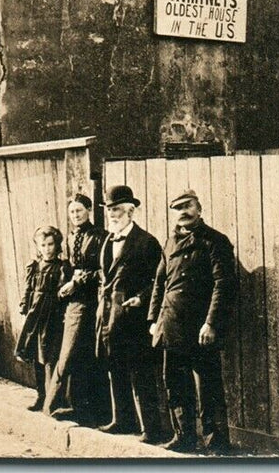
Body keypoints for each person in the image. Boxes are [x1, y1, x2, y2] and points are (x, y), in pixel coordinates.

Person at [148, 189, 237, 454]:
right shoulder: (170, 242)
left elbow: (223, 284)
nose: (183, 212)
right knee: (175, 384)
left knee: (208, 386)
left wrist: (211, 323)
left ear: (199, 208)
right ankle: (184, 437)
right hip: (172, 324)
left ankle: (216, 441)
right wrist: (154, 318)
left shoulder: (215, 241)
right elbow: (160, 282)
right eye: (178, 208)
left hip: (200, 328)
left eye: (188, 206)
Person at [94, 184, 167, 444]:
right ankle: (122, 420)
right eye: (109, 211)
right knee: (115, 367)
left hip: (133, 318)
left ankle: (152, 428)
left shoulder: (147, 242)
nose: (112, 215)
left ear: (131, 212)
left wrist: (143, 298)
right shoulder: (106, 240)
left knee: (140, 372)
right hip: (109, 316)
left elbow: (160, 281)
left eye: (117, 211)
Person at [43, 194, 110, 425]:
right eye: (72, 212)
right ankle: (72, 406)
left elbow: (103, 271)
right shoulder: (71, 237)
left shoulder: (100, 236)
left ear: (89, 210)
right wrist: (65, 284)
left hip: (91, 302)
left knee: (83, 355)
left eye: (79, 210)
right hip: (73, 301)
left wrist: (77, 282)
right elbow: (70, 267)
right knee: (75, 355)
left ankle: (89, 411)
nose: (75, 215)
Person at [15, 225, 72, 412]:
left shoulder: (62, 267)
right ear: (38, 247)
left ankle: (53, 397)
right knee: (36, 356)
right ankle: (40, 395)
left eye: (50, 244)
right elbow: (28, 289)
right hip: (35, 315)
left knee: (50, 356)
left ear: (57, 246)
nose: (47, 249)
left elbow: (64, 293)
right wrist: (24, 305)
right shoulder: (34, 267)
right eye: (43, 245)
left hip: (52, 316)